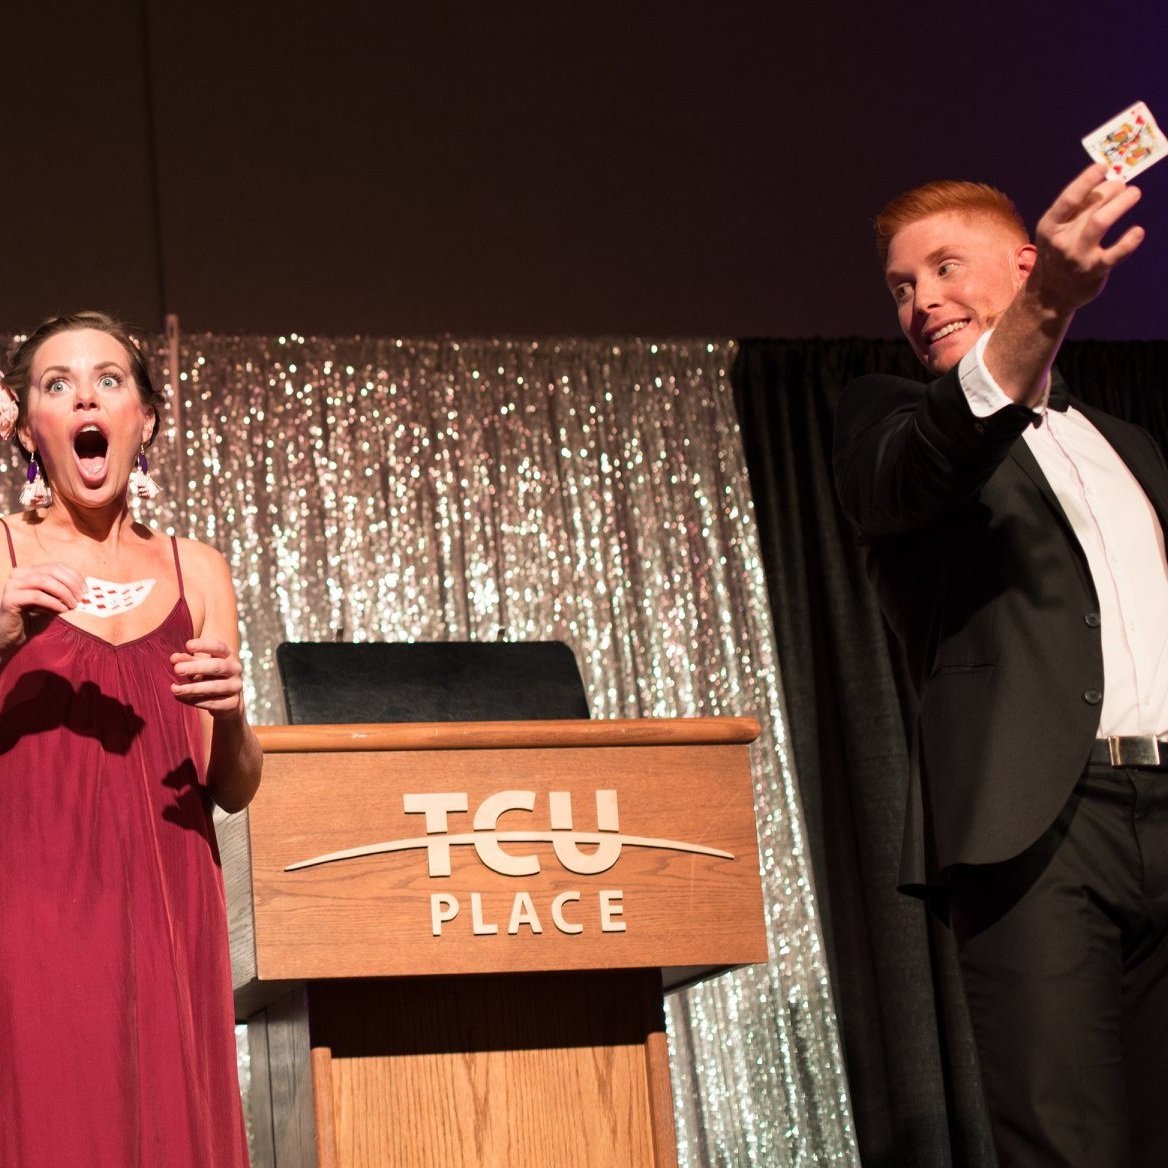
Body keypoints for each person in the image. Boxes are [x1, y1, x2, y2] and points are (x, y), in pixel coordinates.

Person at [833, 163, 1168, 1167]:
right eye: (900, 286)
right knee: (1067, 1145)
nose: (920, 299)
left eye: (943, 267)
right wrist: (1048, 305)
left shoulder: (1131, 445)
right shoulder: (887, 421)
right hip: (1038, 826)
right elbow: (935, 456)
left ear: (1019, 260)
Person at [0, 312, 262, 1166]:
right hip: (34, 905)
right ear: (28, 426)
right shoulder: (2, 552)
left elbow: (235, 786)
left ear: (144, 418)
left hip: (170, 904)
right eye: (56, 383)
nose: (84, 395)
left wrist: (231, 713)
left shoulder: (200, 569)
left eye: (109, 380)